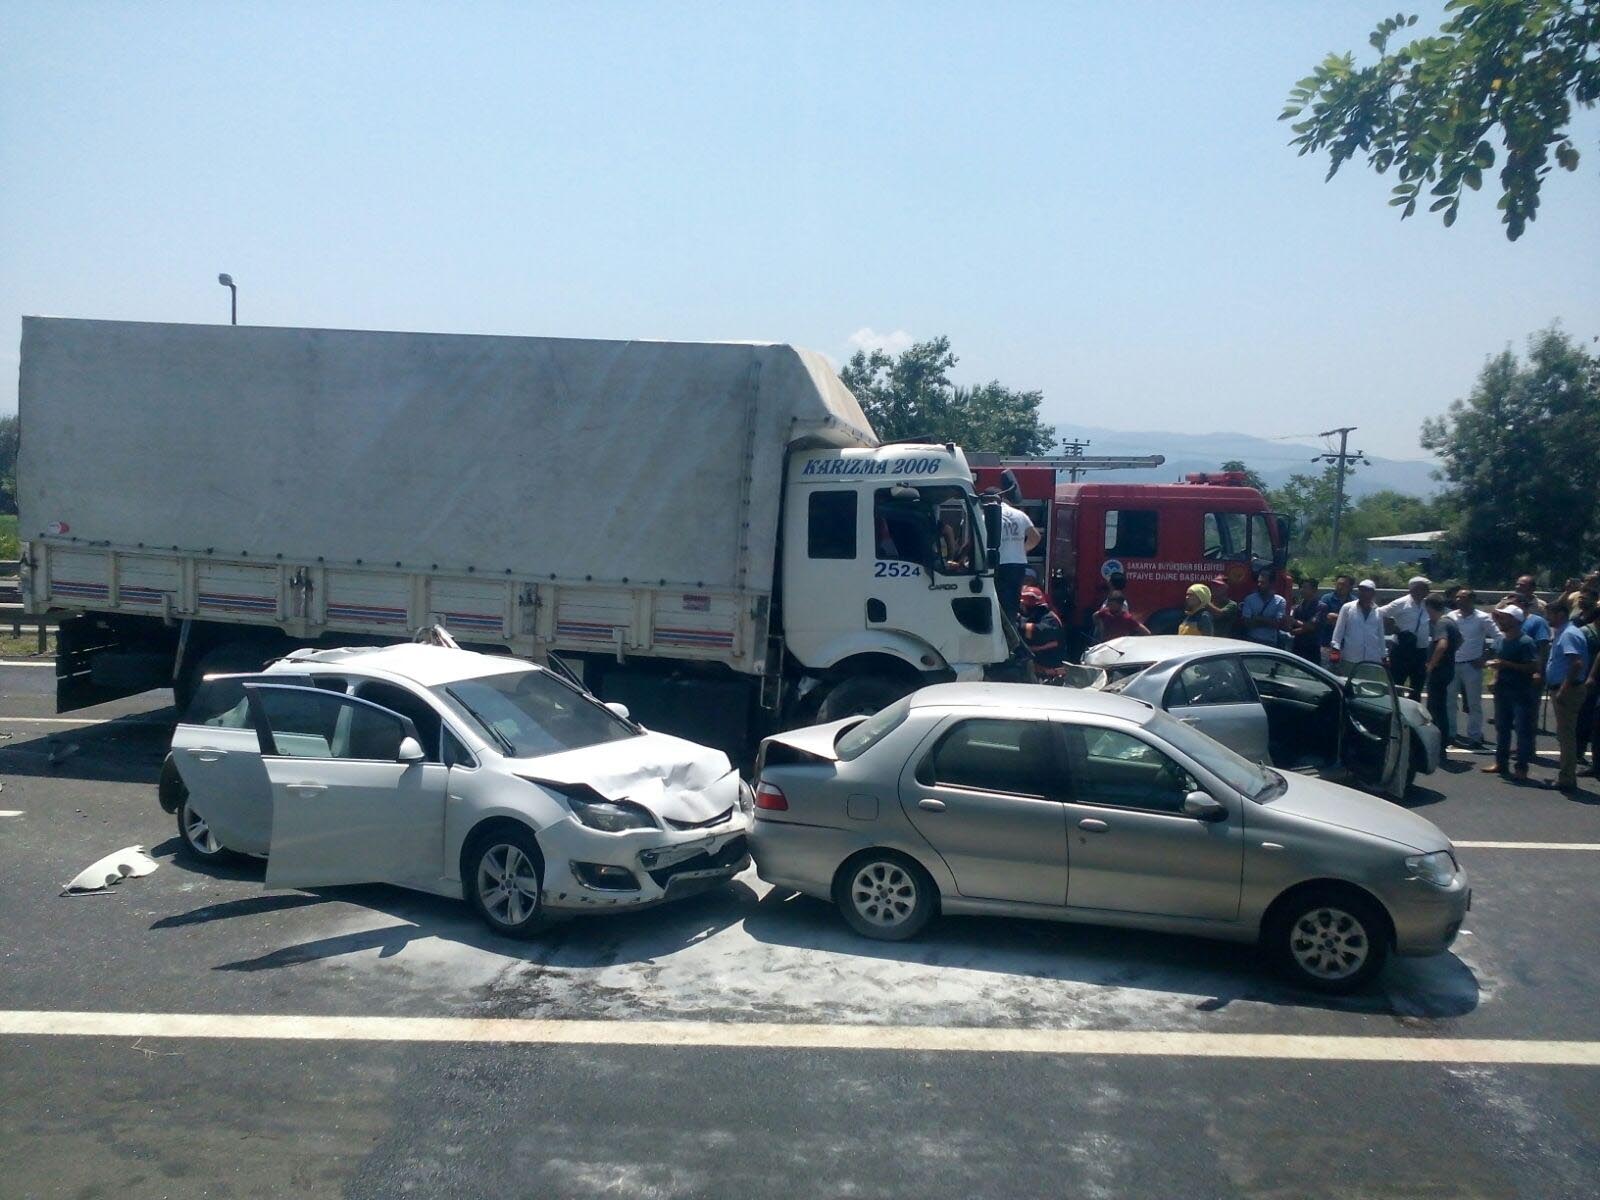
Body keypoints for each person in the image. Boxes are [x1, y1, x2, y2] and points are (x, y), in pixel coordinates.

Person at [1483, 605, 1538, 781]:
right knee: (1502, 728)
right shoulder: (1501, 640)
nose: (1500, 621)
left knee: (1522, 730)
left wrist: (1507, 665)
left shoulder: (1525, 642)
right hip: (1502, 690)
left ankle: (1521, 767)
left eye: (1504, 618)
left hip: (1521, 691)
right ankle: (1501, 762)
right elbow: (1498, 662)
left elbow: (1532, 667)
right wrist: (1494, 677)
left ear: (1515, 620)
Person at [1544, 597, 1591, 792]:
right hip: (1564, 688)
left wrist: (1563, 689)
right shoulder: (1564, 632)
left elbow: (1576, 663)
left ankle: (1567, 778)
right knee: (1564, 735)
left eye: (1550, 615)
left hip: (1568, 691)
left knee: (1566, 736)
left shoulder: (1568, 634)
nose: (1548, 618)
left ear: (1560, 614)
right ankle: (1566, 774)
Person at [1445, 588, 1495, 748]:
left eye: (1463, 597)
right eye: (1457, 597)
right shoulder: (1450, 617)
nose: (1459, 600)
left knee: (1474, 703)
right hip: (1452, 664)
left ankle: (1474, 736)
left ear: (1471, 600)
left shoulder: (1482, 618)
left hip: (1472, 666)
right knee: (1450, 702)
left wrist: (1485, 657)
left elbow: (1499, 637)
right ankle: (1451, 734)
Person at [988, 488, 1039, 628]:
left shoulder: (987, 516)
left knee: (996, 604)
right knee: (1012, 604)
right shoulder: (1020, 515)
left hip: (999, 564)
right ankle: (1012, 633)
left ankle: (999, 634)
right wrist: (1021, 550)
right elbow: (1035, 537)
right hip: (1018, 565)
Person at [1381, 575, 1433, 701]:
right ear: (1414, 589)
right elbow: (1379, 613)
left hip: (1420, 650)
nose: (1427, 591)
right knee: (1397, 684)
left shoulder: (1427, 604)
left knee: (1417, 685)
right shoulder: (1401, 603)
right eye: (1424, 588)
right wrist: (1392, 627)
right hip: (1401, 649)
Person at [1423, 595, 1460, 740]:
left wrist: (1432, 664)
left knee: (1435, 708)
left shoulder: (1441, 623)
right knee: (1441, 705)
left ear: (1430, 607)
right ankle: (1443, 739)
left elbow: (1442, 645)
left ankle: (1439, 741)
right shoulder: (1451, 622)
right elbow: (1460, 640)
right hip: (1448, 668)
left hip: (1439, 670)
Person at [1330, 579, 1387, 670]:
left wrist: (1384, 655)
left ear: (1372, 593)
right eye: (1361, 590)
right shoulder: (1347, 608)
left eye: (1366, 590)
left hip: (1372, 658)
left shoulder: (1378, 611)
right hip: (1351, 657)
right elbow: (1339, 631)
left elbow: (1380, 635)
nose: (1363, 593)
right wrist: (1335, 649)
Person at [1019, 585, 1067, 669]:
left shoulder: (1051, 620)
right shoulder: (1033, 617)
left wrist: (1017, 626)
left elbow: (1037, 633)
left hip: (1048, 671)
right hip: (1035, 668)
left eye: (1023, 605)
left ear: (1029, 606)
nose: (1021, 608)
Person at [1240, 568, 1288, 647]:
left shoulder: (1280, 601)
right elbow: (1247, 623)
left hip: (1270, 643)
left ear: (1271, 584)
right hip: (1252, 641)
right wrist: (1269, 621)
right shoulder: (1249, 599)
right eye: (1258, 582)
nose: (1259, 585)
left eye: (1263, 583)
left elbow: (1277, 624)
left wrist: (1257, 618)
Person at [1318, 574, 1354, 666]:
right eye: (1338, 584)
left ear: (1350, 587)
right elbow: (1324, 617)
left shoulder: (1354, 602)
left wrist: (1337, 618)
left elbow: (1353, 621)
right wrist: (1343, 619)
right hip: (1327, 643)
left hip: (1347, 647)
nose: (1340, 587)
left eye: (1343, 585)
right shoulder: (1326, 598)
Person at [1289, 576, 1326, 664]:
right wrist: (1301, 628)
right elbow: (1290, 628)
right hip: (1297, 646)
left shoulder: (1321, 607)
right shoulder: (1298, 607)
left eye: (1305, 588)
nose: (1302, 590)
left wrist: (1296, 623)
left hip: (1312, 648)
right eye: (1301, 587)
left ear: (1314, 590)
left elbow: (1311, 626)